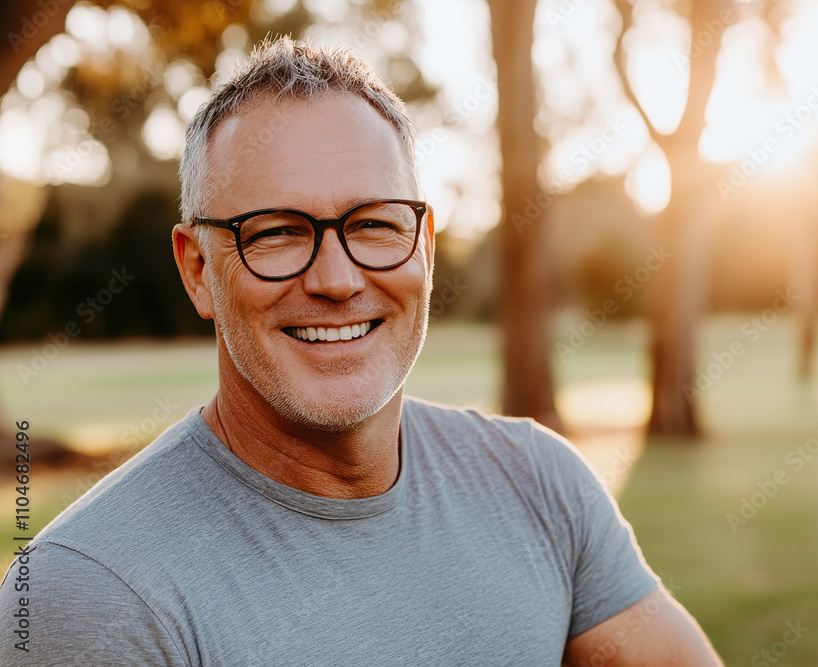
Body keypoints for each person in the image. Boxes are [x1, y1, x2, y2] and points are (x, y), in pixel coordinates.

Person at [0, 38, 722, 665]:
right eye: (276, 231)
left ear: (425, 249)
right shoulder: (88, 595)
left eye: (374, 224)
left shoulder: (540, 486)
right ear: (198, 270)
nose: (338, 280)